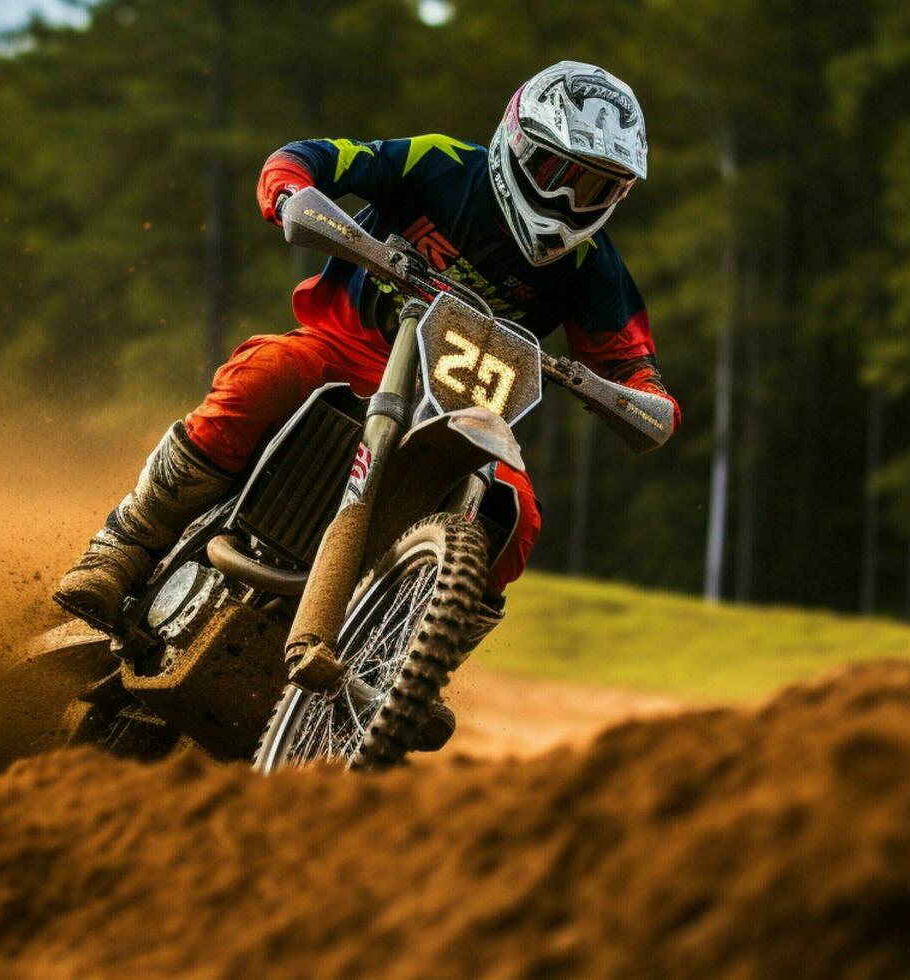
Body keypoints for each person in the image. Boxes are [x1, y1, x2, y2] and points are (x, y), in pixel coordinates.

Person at [55, 61, 679, 635]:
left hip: (466, 410)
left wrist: (643, 401)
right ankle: (125, 545)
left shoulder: (594, 266)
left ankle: (412, 659)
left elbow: (632, 365)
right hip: (344, 351)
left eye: (597, 189)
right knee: (265, 371)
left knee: (516, 518)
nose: (571, 202)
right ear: (517, 144)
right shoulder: (439, 164)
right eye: (559, 174)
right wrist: (293, 194)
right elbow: (306, 158)